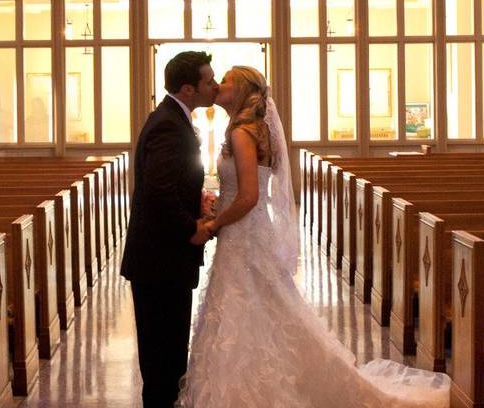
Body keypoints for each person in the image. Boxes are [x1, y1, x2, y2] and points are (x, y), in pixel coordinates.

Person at [176, 66, 451, 408]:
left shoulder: (242, 133)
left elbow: (248, 196)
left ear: (243, 90)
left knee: (248, 310)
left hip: (243, 235)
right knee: (260, 310)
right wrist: (217, 207)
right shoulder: (248, 129)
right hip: (246, 234)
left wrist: (215, 225)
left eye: (227, 81)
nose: (219, 86)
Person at [121, 50, 220, 408]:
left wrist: (197, 203)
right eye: (209, 80)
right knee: (163, 358)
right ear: (188, 88)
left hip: (162, 261)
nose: (215, 85)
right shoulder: (167, 124)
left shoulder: (173, 118)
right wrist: (190, 227)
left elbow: (170, 183)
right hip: (159, 260)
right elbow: (158, 190)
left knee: (168, 355)